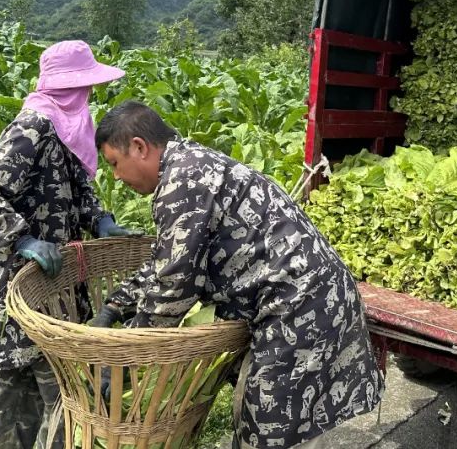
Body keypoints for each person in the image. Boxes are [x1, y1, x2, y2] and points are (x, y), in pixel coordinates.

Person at [89, 101, 384, 449]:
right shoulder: (188, 165)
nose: (117, 177)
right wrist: (115, 305)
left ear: (139, 147)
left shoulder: (181, 182)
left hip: (300, 305)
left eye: (114, 164)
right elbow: (166, 260)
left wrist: (125, 359)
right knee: (287, 422)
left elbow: (175, 286)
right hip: (307, 297)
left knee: (271, 430)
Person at [0, 40, 132, 449]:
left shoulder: (68, 127)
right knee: (38, 387)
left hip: (55, 283)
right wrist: (22, 238)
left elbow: (75, 188)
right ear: (68, 88)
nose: (89, 94)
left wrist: (99, 219)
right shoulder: (34, 127)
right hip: (21, 283)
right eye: (84, 86)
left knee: (43, 383)